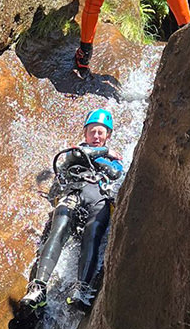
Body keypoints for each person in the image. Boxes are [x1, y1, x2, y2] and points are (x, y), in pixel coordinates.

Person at [20, 108, 124, 312]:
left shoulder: (115, 160)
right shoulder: (76, 150)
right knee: (58, 230)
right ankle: (38, 288)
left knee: (92, 235)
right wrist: (103, 153)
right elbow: (72, 158)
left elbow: (114, 174)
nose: (96, 136)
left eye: (100, 133)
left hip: (98, 199)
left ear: (108, 135)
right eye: (92, 131)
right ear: (85, 133)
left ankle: (82, 290)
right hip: (73, 194)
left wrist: (105, 159)